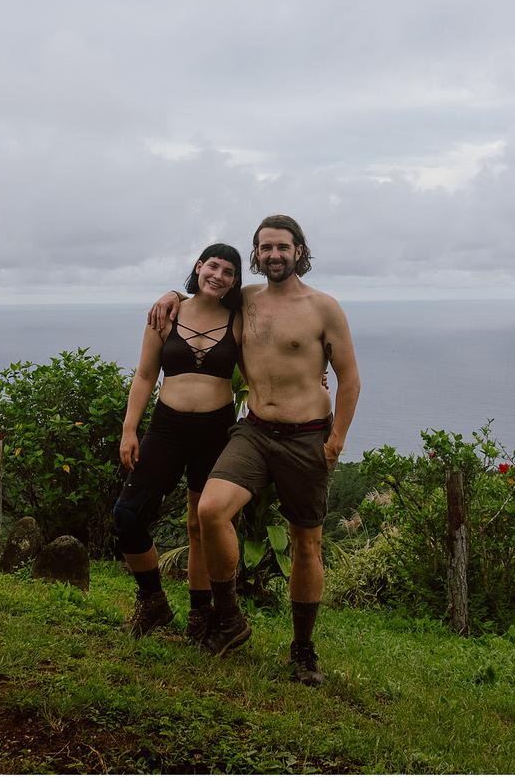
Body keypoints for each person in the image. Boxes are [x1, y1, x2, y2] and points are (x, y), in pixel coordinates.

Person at [148, 214, 361, 686]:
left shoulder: (324, 308)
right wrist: (171, 295)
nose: (274, 255)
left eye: (283, 247)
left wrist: (336, 439)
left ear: (300, 250)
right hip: (255, 431)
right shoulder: (245, 300)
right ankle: (229, 619)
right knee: (210, 510)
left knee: (307, 543)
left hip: (307, 436)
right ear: (257, 254)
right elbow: (202, 298)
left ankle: (302, 651)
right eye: (266, 248)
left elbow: (349, 378)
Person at [113, 243, 245, 643]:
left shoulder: (239, 320)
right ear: (199, 266)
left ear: (235, 281)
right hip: (167, 428)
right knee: (128, 514)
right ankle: (152, 599)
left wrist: (317, 376)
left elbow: (269, 363)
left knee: (201, 524)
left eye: (228, 272)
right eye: (213, 266)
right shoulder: (166, 315)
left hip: (216, 431)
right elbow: (144, 376)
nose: (218, 276)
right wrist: (130, 430)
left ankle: (200, 614)